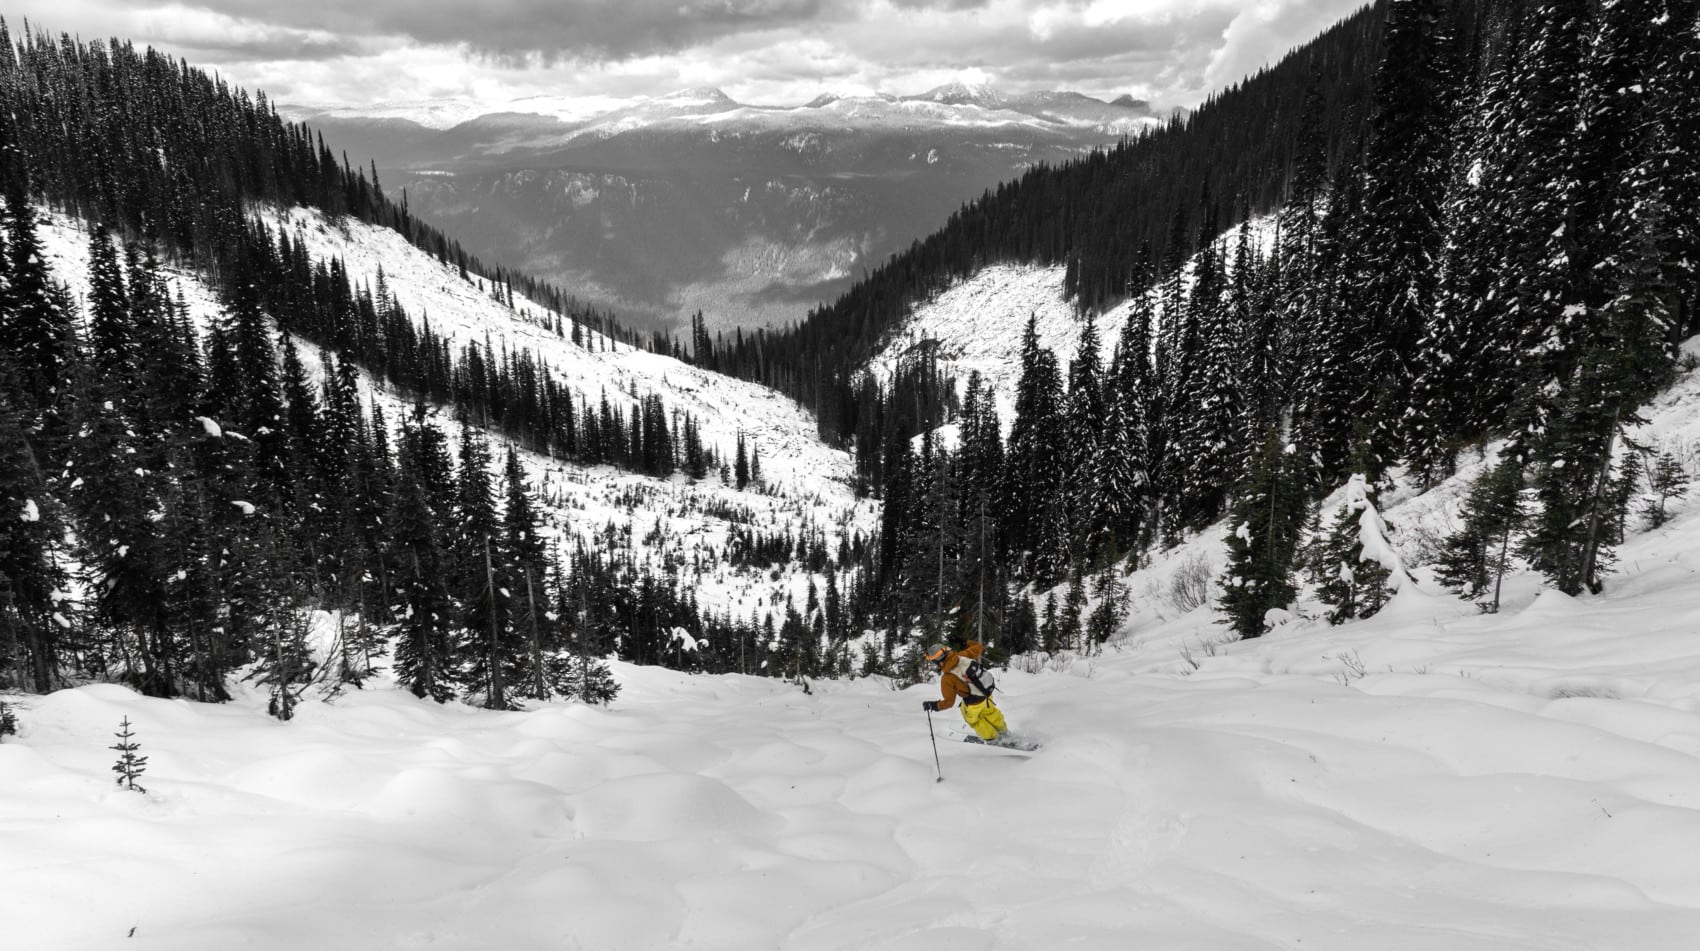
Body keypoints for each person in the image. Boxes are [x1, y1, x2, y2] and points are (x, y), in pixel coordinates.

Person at [920, 641, 1011, 745]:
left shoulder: (947, 678)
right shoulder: (961, 655)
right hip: (986, 694)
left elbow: (949, 703)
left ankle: (992, 738)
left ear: (937, 661)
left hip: (973, 703)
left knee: (973, 720)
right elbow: (978, 647)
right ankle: (1004, 731)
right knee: (991, 713)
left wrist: (934, 706)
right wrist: (966, 642)